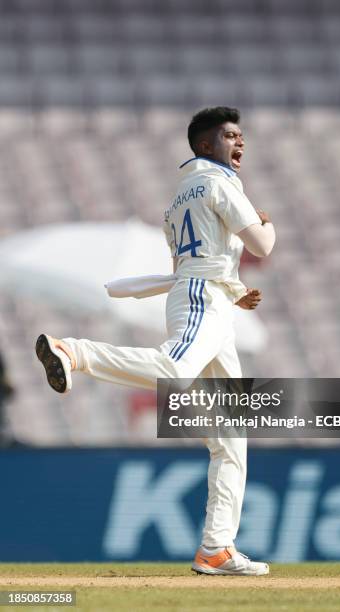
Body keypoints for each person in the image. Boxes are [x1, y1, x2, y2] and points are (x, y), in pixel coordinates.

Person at [35, 106, 275, 575]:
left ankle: (216, 548)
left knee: (231, 435)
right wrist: (267, 223)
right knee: (174, 370)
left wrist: (233, 294)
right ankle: (74, 351)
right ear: (205, 145)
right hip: (202, 299)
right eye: (230, 136)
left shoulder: (178, 200)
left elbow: (200, 260)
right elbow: (262, 246)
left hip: (206, 299)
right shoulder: (219, 184)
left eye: (241, 135)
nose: (240, 142)